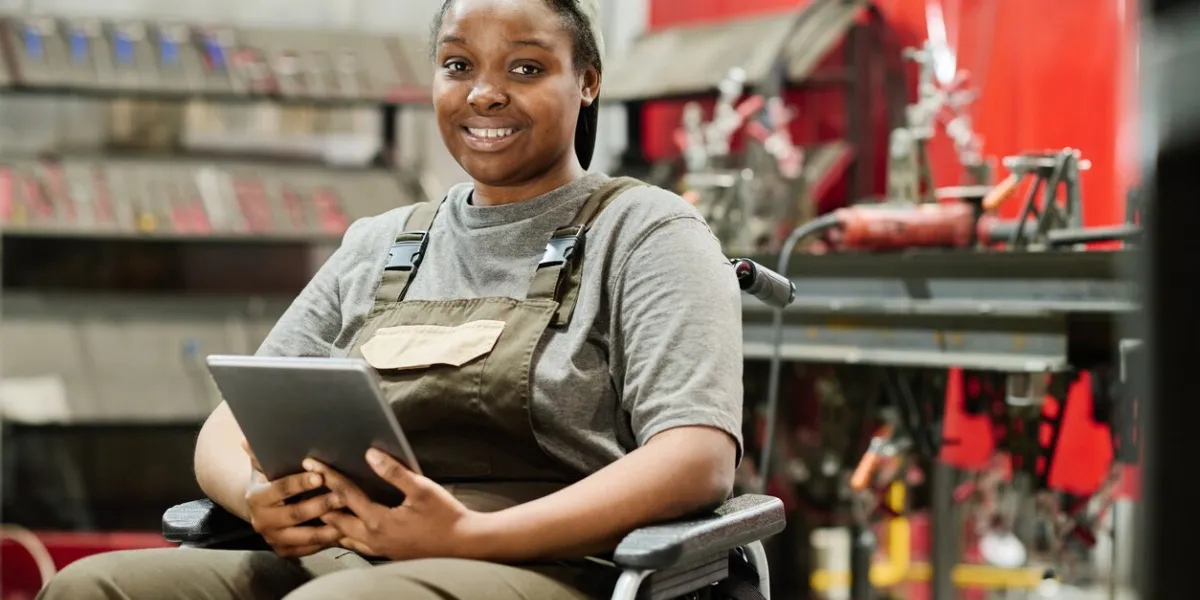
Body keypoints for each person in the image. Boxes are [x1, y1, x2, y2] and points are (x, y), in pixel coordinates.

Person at [37, 0, 744, 598]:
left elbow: (696, 455)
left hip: (540, 560)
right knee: (89, 589)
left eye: (525, 68)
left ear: (587, 82)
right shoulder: (383, 242)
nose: (484, 94)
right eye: (458, 65)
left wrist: (472, 534)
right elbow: (228, 425)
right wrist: (255, 499)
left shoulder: (646, 232)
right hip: (346, 553)